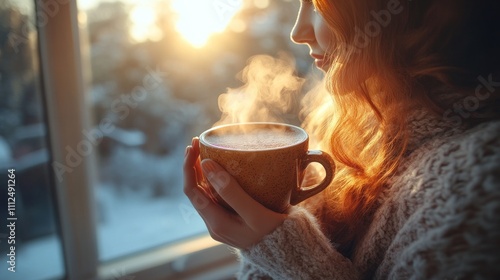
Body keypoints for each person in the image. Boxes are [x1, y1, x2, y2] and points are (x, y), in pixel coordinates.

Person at [184, 0, 500, 278]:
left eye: (319, 5)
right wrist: (261, 222)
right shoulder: (353, 130)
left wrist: (279, 248)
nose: (298, 31)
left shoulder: (480, 179)